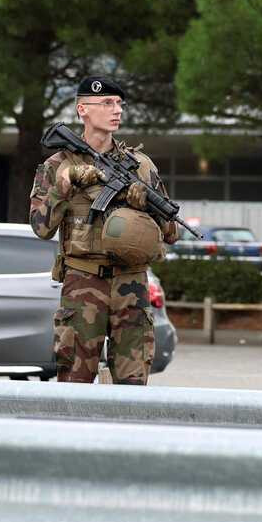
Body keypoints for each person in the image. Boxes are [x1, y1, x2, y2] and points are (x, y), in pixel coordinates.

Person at [28, 76, 178, 385]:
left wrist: (144, 207)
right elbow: (41, 228)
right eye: (107, 103)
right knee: (75, 383)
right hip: (83, 282)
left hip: (131, 284)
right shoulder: (56, 165)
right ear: (83, 109)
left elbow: (171, 231)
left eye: (119, 104)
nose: (117, 110)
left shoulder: (141, 166)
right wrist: (64, 185)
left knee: (133, 385)